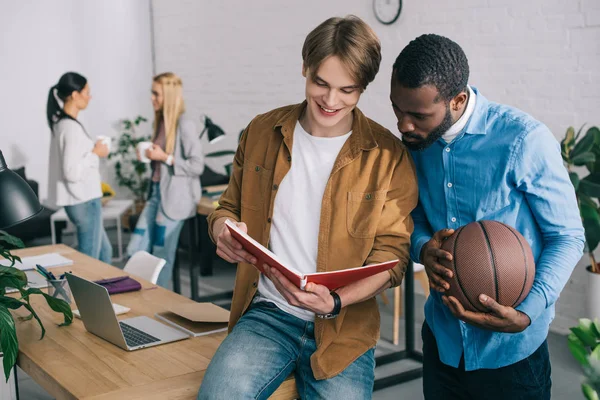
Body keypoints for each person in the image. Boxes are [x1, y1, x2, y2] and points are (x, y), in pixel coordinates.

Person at [198, 15, 418, 399]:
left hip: (344, 327)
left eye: (347, 90)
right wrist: (223, 229)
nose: (331, 101)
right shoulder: (261, 132)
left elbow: (393, 257)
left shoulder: (387, 157)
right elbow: (226, 206)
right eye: (321, 83)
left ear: (363, 88)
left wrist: (335, 300)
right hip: (267, 315)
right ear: (305, 67)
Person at [389, 34, 585, 399]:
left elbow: (568, 236)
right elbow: (410, 217)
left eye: (417, 115)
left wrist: (526, 313)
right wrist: (421, 248)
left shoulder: (523, 139)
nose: (403, 125)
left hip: (513, 354)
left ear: (457, 100)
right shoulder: (414, 145)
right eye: (397, 110)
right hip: (442, 342)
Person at [126, 72, 204, 288]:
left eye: (156, 94)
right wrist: (149, 156)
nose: (152, 98)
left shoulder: (184, 124)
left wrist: (165, 158)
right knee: (134, 249)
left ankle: (157, 305)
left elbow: (197, 165)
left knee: (161, 255)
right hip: (156, 196)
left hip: (174, 202)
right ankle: (140, 298)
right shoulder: (161, 123)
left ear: (168, 96)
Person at [47, 72, 113, 263]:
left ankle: (104, 292)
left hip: (81, 200)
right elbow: (71, 172)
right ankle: (87, 293)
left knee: (104, 253)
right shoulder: (70, 128)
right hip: (84, 200)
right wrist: (96, 153)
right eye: (86, 92)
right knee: (90, 261)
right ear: (75, 95)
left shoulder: (61, 123)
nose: (89, 97)